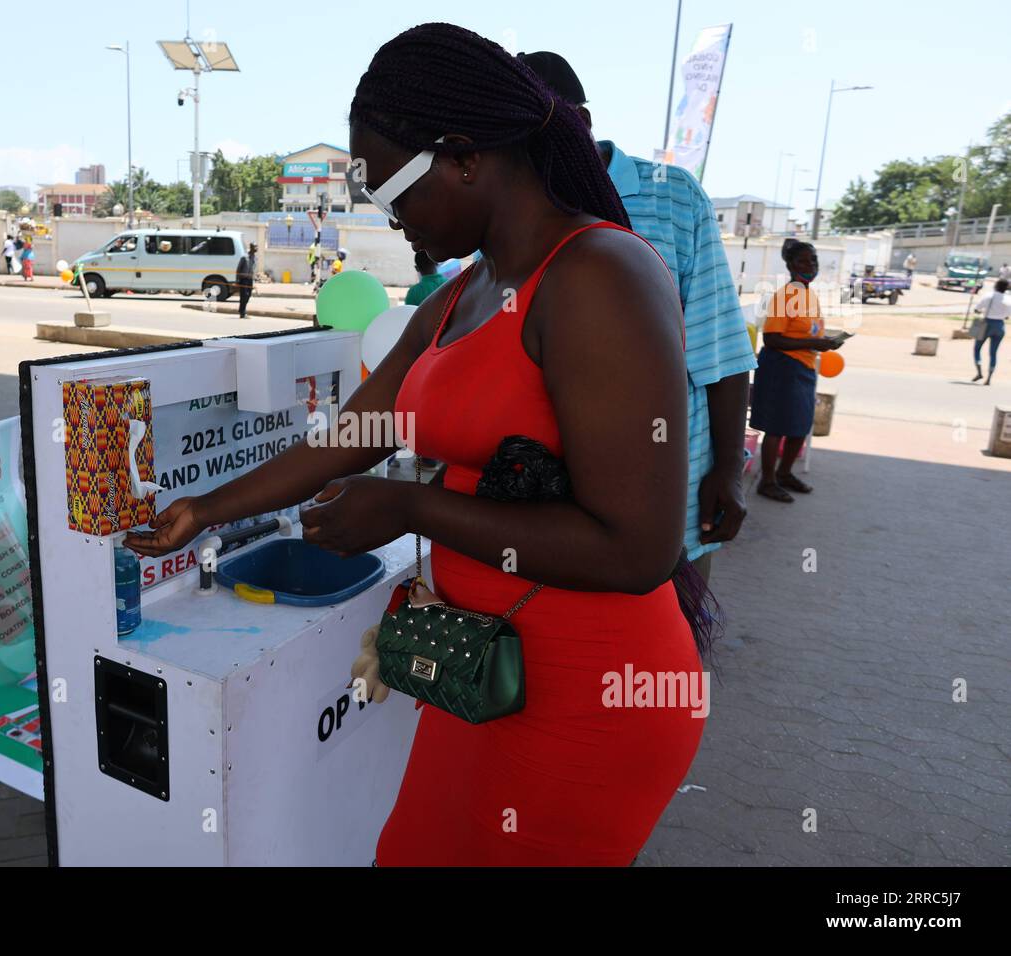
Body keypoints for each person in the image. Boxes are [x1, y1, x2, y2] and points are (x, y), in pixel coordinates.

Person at [124, 22, 706, 867]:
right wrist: (206, 509)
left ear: (465, 157)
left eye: (391, 189)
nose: (387, 219)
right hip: (485, 673)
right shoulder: (465, 291)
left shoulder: (600, 277)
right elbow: (356, 433)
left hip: (591, 693)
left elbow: (640, 549)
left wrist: (408, 507)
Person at [520, 50, 756, 583]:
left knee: (665, 652)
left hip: (671, 502)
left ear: (581, 121)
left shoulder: (671, 196)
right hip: (545, 508)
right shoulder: (511, 210)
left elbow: (719, 343)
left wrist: (727, 469)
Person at [749, 239, 844, 501]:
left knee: (799, 426)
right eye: (803, 261)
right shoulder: (786, 295)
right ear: (790, 265)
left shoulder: (807, 294)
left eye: (813, 261)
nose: (810, 265)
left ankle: (785, 473)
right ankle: (766, 481)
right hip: (782, 367)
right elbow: (772, 339)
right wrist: (815, 343)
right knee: (777, 427)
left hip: (804, 366)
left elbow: (808, 329)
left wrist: (825, 342)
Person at [971, 278, 1011, 384]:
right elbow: (1007, 315)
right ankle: (989, 378)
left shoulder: (989, 296)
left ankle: (979, 371)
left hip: (987, 323)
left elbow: (977, 308)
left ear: (996, 286)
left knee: (977, 348)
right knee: (993, 352)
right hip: (1000, 326)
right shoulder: (1008, 299)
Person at [235, 241, 258, 318]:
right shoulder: (244, 257)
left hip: (250, 280)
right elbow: (238, 270)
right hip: (243, 280)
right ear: (251, 248)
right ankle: (242, 312)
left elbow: (254, 270)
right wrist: (237, 280)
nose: (256, 248)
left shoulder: (255, 258)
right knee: (244, 296)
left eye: (256, 247)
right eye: (255, 247)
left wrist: (254, 281)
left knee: (248, 296)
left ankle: (241, 310)